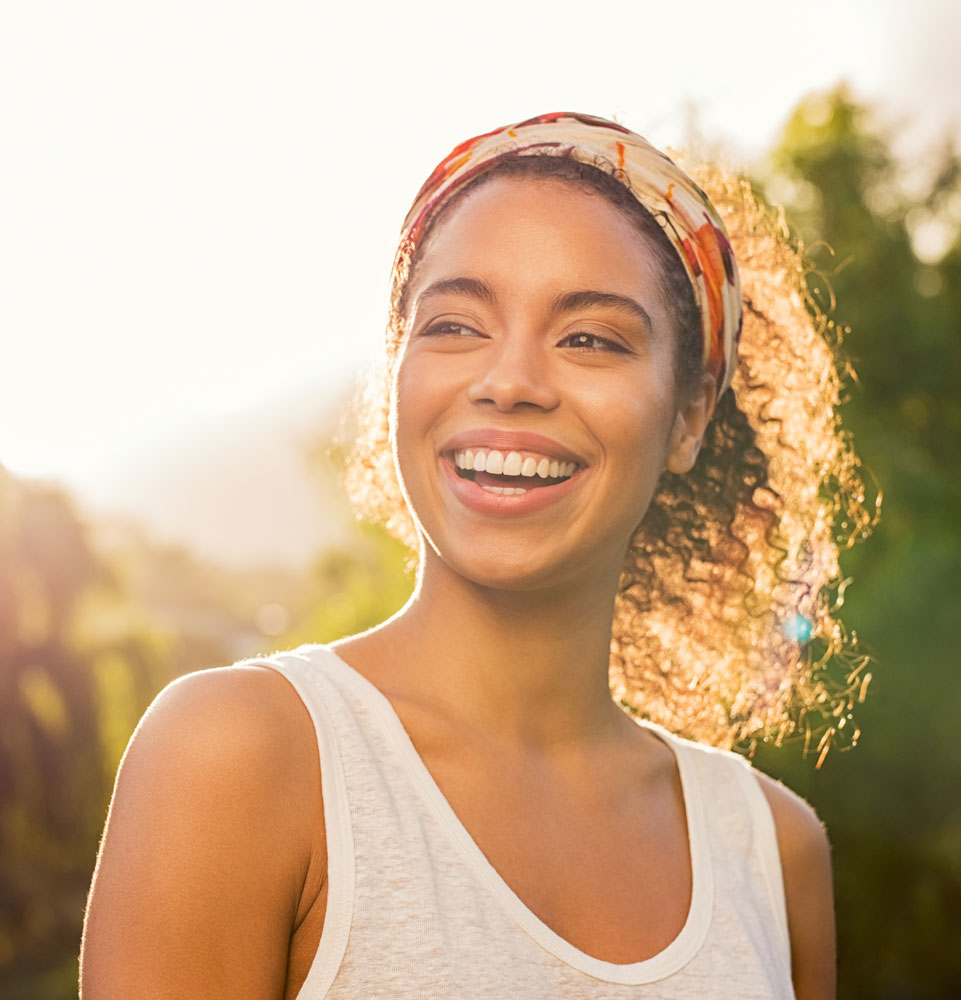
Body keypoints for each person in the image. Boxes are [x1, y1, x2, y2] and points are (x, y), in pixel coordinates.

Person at [81, 112, 871, 999]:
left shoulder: (770, 850)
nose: (508, 382)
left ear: (687, 416)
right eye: (455, 325)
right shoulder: (239, 757)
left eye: (590, 339)